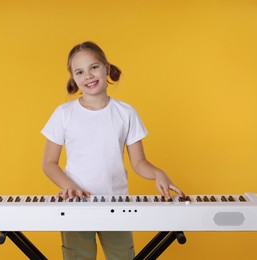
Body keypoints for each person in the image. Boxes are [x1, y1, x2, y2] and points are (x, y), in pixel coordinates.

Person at [41, 41, 184, 260]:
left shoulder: (126, 113)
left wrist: (158, 173)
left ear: (106, 68)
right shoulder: (64, 113)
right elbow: (49, 163)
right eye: (79, 72)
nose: (88, 75)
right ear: (74, 79)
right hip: (75, 206)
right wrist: (70, 188)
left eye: (94, 67)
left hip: (117, 204)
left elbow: (138, 162)